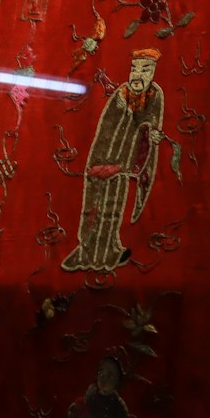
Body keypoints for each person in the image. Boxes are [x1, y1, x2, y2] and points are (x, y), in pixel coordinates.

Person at [62, 50, 165, 272]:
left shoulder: (154, 95)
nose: (138, 74)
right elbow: (108, 128)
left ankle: (107, 253)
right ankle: (86, 252)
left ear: (153, 72)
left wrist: (151, 133)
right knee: (94, 206)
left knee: (114, 207)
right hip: (105, 158)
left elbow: (151, 121)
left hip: (125, 162)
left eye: (145, 70)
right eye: (134, 69)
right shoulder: (121, 93)